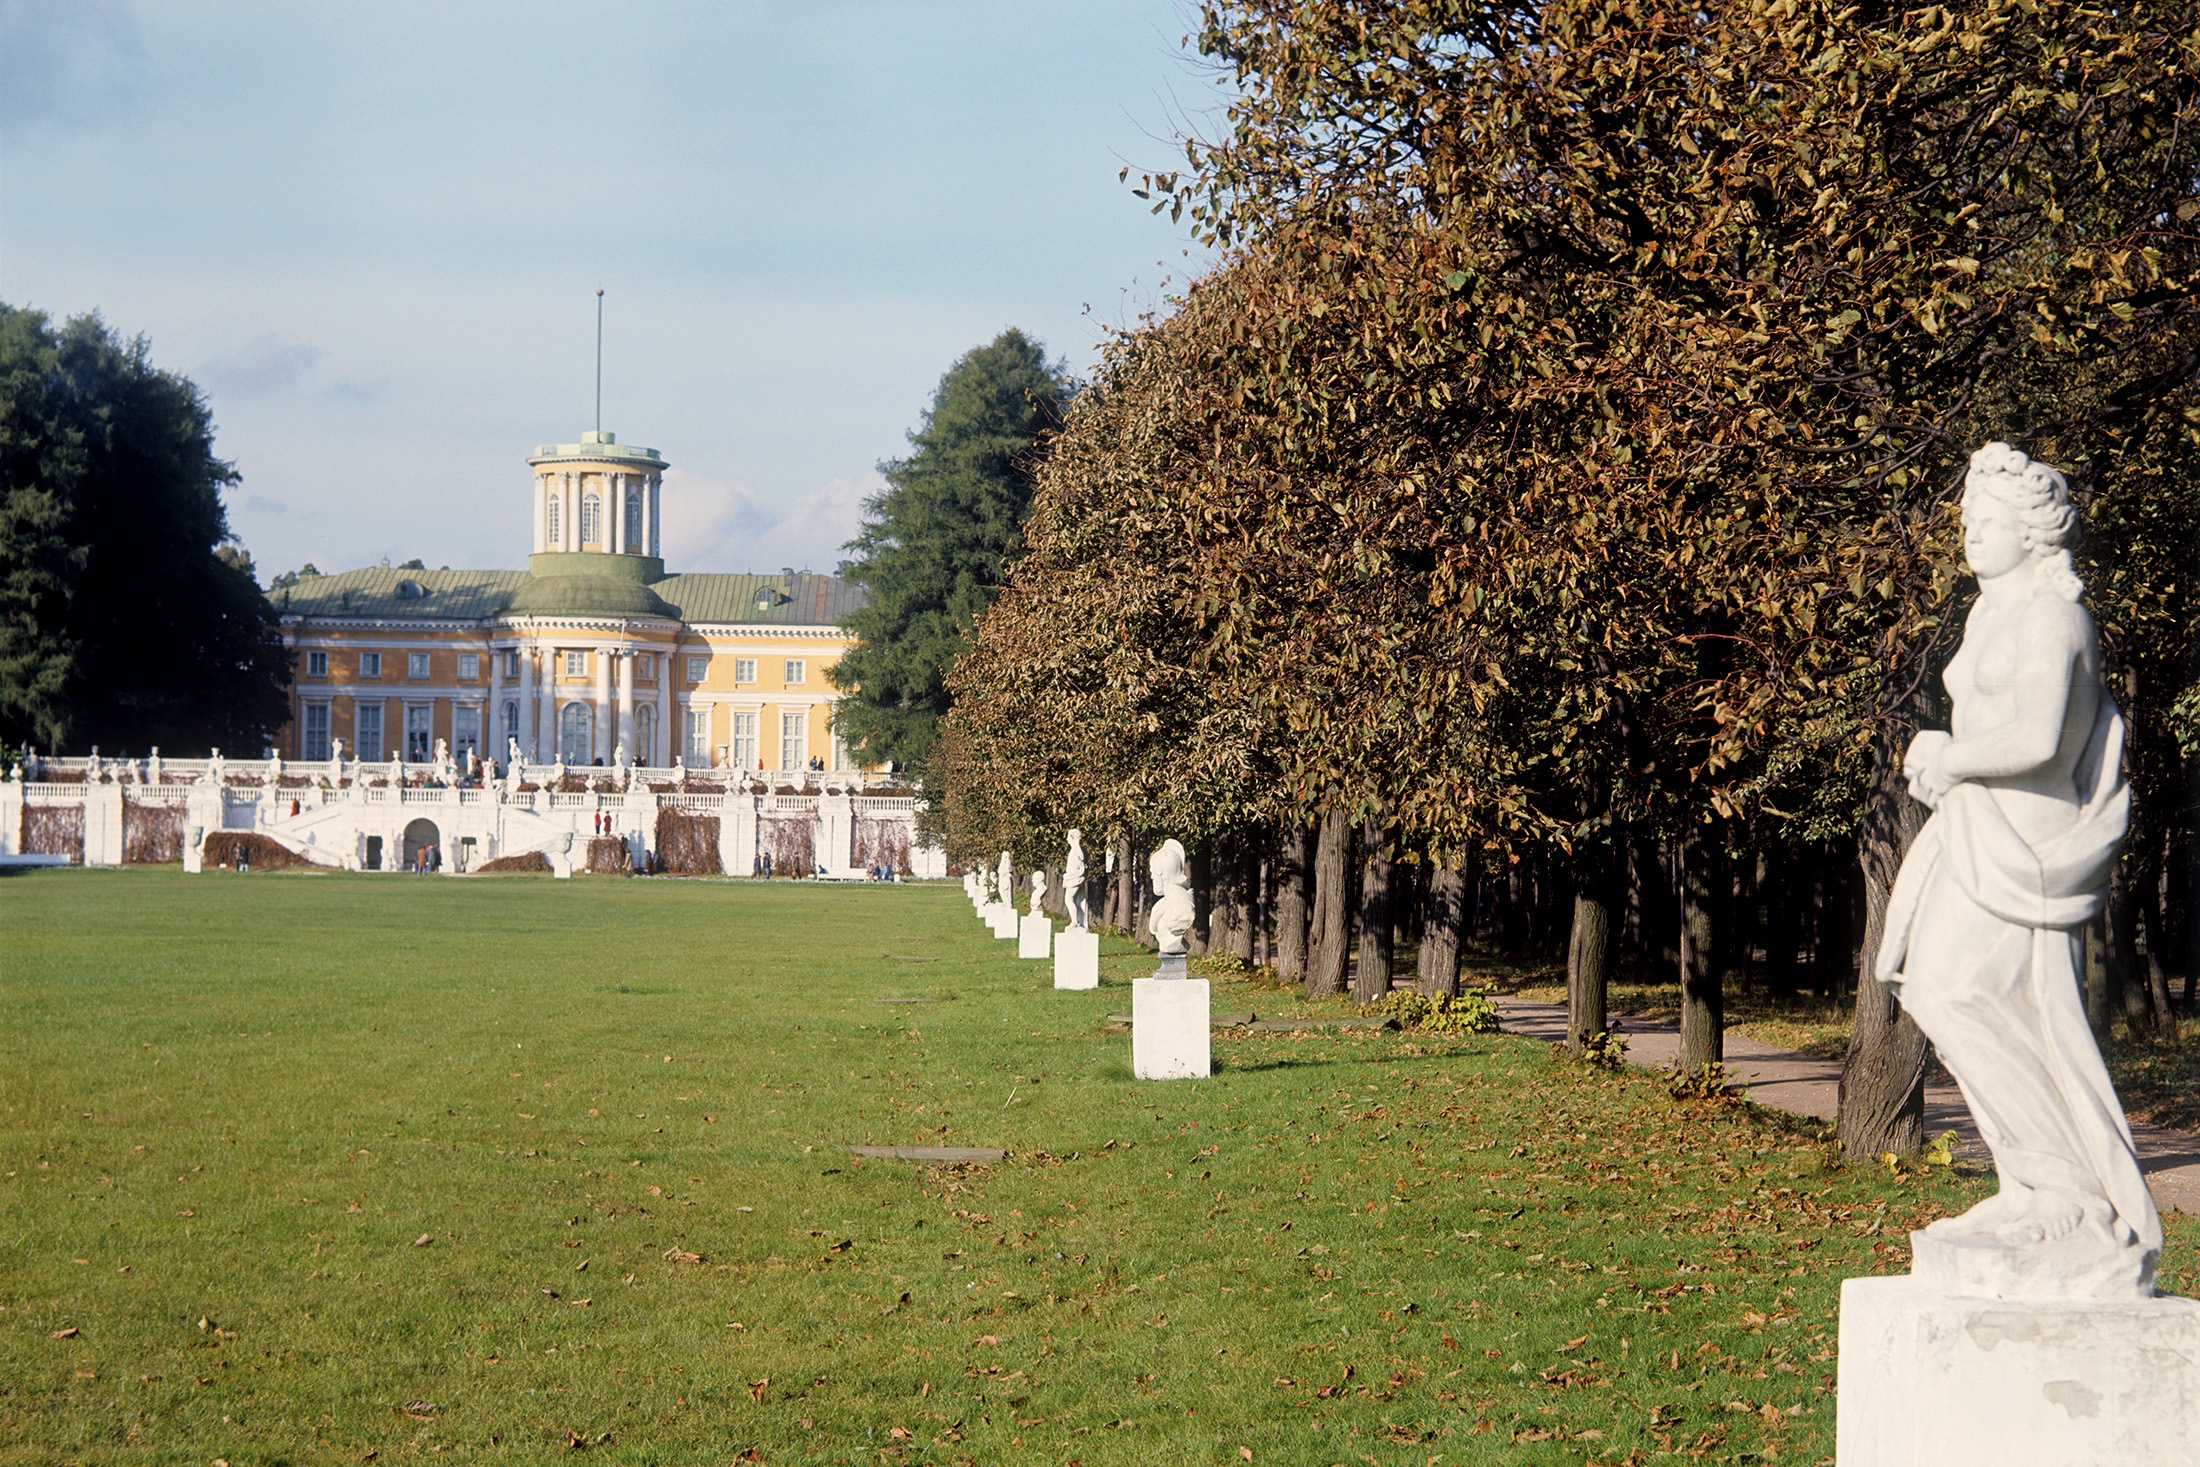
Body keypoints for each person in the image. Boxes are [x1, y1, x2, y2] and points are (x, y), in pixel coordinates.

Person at [1878, 442, 2159, 1300]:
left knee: (1964, 991)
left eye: (1988, 521)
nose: (1971, 533)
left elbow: (2040, 739)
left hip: (2024, 845)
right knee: (1936, 987)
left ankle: (2071, 1192)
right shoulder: (1992, 614)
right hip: (1980, 827)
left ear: (2033, 532)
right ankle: (2031, 1183)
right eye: (1967, 519)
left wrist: (1952, 758)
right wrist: (1947, 765)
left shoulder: (2053, 616)